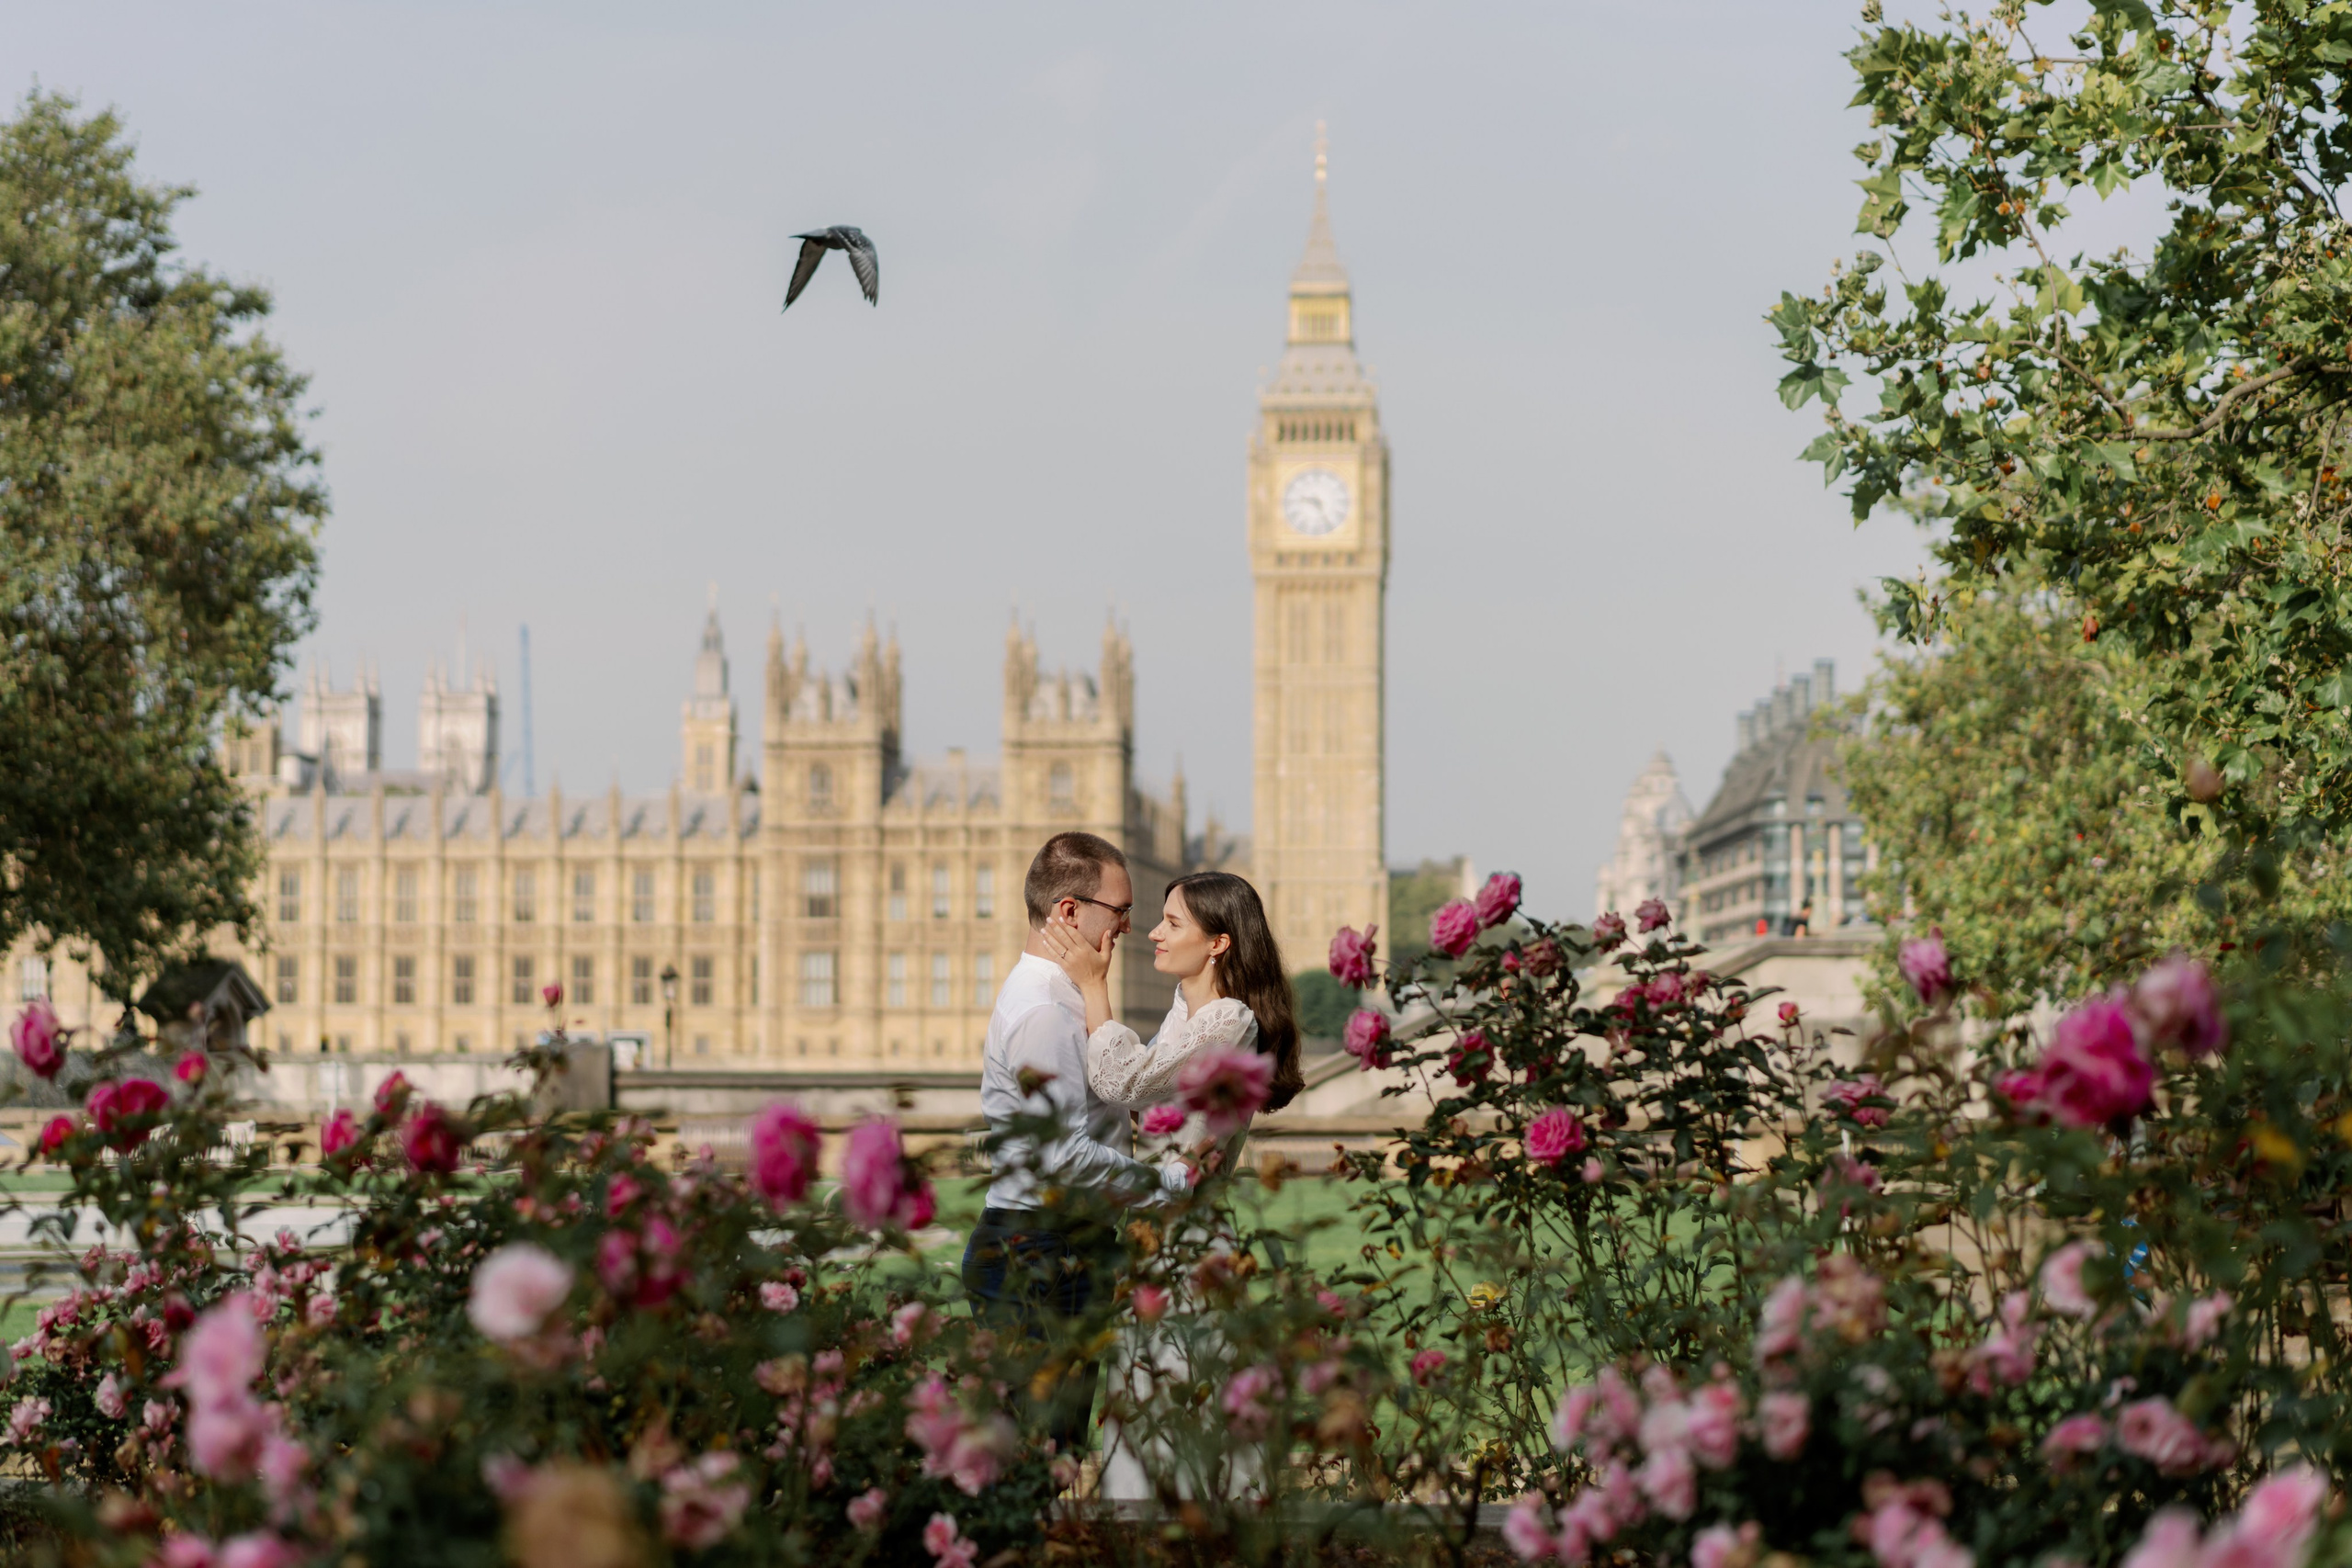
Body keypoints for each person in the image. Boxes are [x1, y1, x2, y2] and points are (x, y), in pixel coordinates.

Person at [1038, 869, 1303, 1502]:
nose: (1154, 932)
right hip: (1156, 1236)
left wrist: (1093, 987)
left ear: (1218, 942)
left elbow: (1126, 1083)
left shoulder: (1228, 1022)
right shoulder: (1187, 1010)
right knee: (1147, 1405)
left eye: (1173, 922)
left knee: (1175, 1407)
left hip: (1189, 1244)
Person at [962, 831, 1188, 1459]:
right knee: (1042, 1459)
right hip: (1036, 1253)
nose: (1128, 928)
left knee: (1052, 1455)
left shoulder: (1064, 997)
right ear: (1069, 910)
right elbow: (1061, 1155)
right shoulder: (1044, 1009)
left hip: (1053, 1245)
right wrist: (1164, 1184)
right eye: (1120, 912)